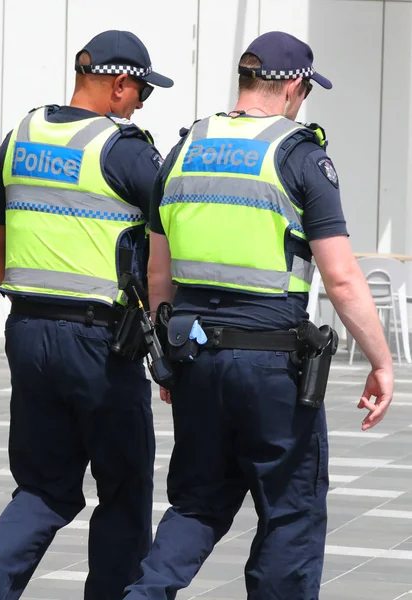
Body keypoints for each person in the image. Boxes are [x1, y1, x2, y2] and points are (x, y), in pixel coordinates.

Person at [123, 31, 394, 600]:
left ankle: (142, 595)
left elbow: (157, 274)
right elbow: (342, 278)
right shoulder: (300, 156)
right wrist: (381, 361)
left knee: (196, 503)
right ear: (294, 86)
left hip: (195, 355)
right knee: (290, 514)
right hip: (273, 367)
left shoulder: (182, 151)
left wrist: (170, 360)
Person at [0, 30, 173, 600]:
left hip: (26, 330)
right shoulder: (124, 150)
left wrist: (35, 299)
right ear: (119, 84)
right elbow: (177, 230)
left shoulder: (20, 137)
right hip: (100, 343)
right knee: (122, 485)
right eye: (141, 91)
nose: (142, 104)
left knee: (44, 484)